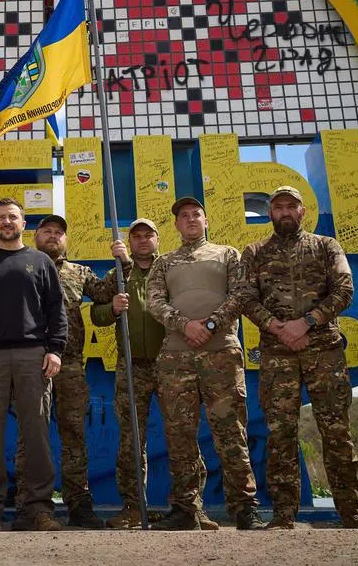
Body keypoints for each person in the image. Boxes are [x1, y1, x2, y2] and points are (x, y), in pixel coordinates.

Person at [237, 186, 358, 530]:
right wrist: (278, 328)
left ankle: (351, 513)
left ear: (302, 212)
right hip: (277, 353)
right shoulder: (254, 252)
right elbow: (246, 298)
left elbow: (344, 289)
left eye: (290, 206)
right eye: (277, 206)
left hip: (324, 350)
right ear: (270, 214)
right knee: (280, 434)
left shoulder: (327, 246)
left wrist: (307, 322)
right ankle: (284, 515)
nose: (284, 211)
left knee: (336, 432)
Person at [92, 218, 218, 531]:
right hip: (132, 365)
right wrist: (113, 308)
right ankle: (134, 509)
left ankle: (191, 508)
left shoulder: (172, 269)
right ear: (129, 242)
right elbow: (96, 312)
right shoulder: (118, 274)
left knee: (182, 436)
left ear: (158, 239)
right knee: (131, 439)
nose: (143, 240)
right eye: (136, 236)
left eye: (148, 235)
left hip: (172, 362)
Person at [146, 197, 264, 531]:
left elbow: (240, 294)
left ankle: (244, 508)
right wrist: (185, 325)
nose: (190, 219)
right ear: (176, 225)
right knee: (180, 435)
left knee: (230, 432)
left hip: (221, 354)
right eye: (183, 216)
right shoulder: (164, 262)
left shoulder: (228, 254)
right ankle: (186, 509)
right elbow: (154, 302)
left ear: (206, 220)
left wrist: (210, 325)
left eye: (196, 214)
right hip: (175, 358)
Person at [0, 197, 68, 533]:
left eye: (13, 217)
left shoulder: (41, 262)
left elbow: (56, 312)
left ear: (23, 223)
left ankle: (39, 510)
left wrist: (55, 350)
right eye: (1, 217)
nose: (7, 222)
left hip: (34, 357)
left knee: (36, 435)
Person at [12, 215, 118, 530]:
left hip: (70, 366)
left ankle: (79, 506)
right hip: (30, 364)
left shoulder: (78, 272)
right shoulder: (19, 267)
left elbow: (103, 293)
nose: (54, 236)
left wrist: (120, 260)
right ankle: (27, 505)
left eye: (59, 232)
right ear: (35, 236)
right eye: (47, 231)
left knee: (74, 437)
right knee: (29, 437)